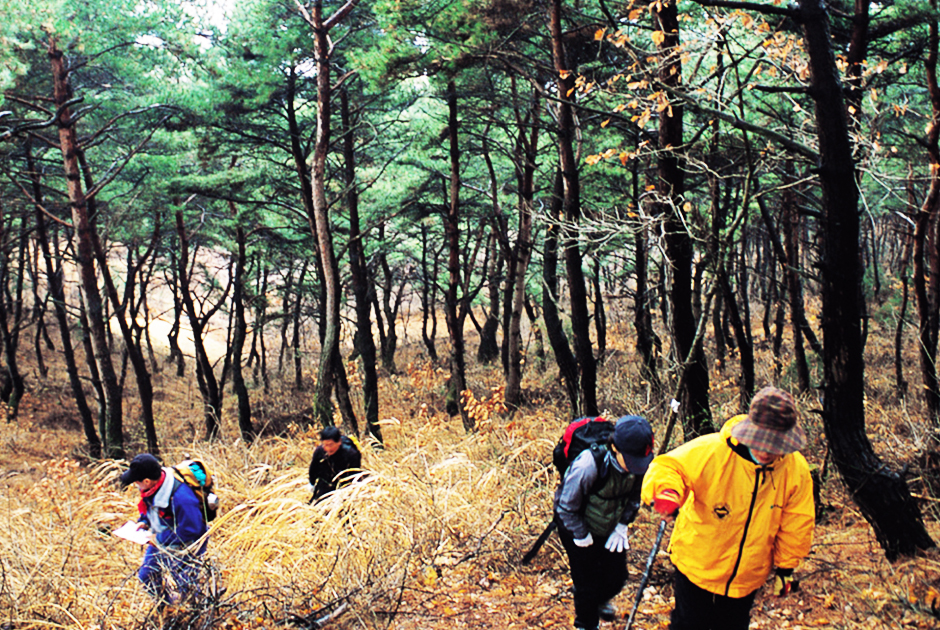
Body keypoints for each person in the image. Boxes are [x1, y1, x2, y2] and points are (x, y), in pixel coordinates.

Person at [640, 386, 815, 630]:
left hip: (747, 575)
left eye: (774, 444)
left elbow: (796, 523)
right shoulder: (712, 450)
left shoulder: (795, 470)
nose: (766, 451)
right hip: (696, 565)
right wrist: (667, 492)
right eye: (761, 441)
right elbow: (667, 467)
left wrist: (786, 569)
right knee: (688, 624)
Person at [554, 415, 655, 630]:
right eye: (631, 461)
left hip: (608, 526)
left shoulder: (639, 467)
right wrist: (581, 535)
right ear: (615, 448)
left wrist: (623, 525)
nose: (635, 468)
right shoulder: (588, 465)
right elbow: (565, 507)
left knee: (617, 577)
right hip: (575, 525)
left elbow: (635, 498)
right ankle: (586, 623)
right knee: (586, 584)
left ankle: (595, 600)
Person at [121, 453, 209, 604]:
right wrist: (144, 522)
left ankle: (196, 615)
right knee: (147, 575)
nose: (136, 485)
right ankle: (165, 609)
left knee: (186, 584)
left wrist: (159, 539)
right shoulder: (153, 487)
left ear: (147, 481)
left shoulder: (181, 497)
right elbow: (153, 510)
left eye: (137, 482)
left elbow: (193, 529)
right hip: (161, 538)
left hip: (189, 543)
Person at [307, 426, 362, 502]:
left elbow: (355, 475)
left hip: (345, 484)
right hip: (326, 481)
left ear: (339, 442)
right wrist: (311, 483)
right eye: (325, 445)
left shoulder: (351, 454)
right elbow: (313, 468)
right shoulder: (320, 452)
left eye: (331, 445)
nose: (328, 449)